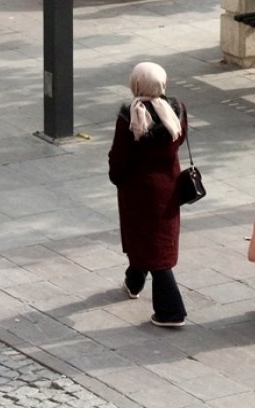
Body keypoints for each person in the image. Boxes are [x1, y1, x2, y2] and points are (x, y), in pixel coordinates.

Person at [108, 62, 189, 328]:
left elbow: (120, 157)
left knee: (153, 248)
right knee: (157, 239)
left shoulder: (130, 116)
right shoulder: (177, 110)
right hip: (169, 188)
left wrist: (116, 176)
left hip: (138, 192)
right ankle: (134, 280)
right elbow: (181, 138)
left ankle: (171, 310)